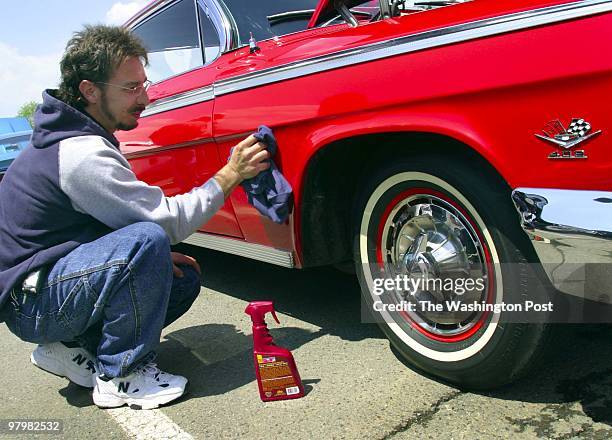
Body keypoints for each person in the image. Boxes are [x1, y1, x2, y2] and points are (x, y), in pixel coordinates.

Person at [0, 25, 270, 410]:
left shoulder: (68, 138)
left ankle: (67, 347)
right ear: (90, 91)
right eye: (130, 88)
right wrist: (232, 173)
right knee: (148, 239)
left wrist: (148, 261)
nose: (144, 97)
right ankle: (121, 376)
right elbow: (166, 224)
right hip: (34, 304)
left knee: (177, 276)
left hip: (40, 290)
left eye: (144, 84)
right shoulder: (80, 154)